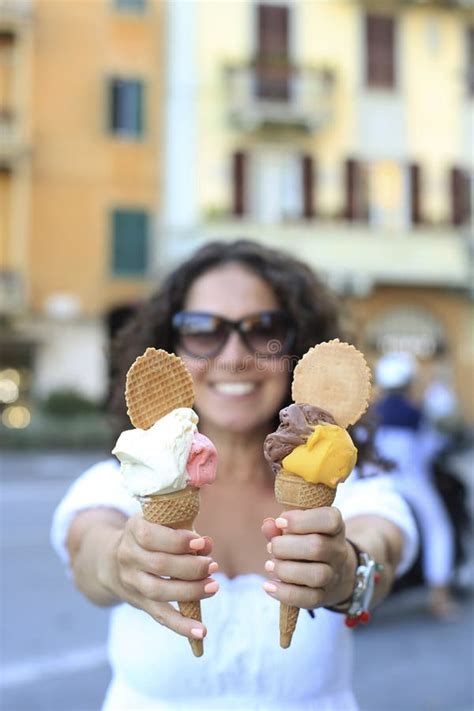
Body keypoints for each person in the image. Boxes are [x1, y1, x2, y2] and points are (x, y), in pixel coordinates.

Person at [51, 240, 417, 711]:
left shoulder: (345, 481)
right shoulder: (123, 481)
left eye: (262, 329)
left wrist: (348, 571)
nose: (234, 356)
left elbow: (382, 548)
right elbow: (89, 552)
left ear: (297, 349)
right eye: (203, 330)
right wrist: (118, 564)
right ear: (172, 348)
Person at [373, 351, 459, 620]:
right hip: (413, 482)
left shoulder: (370, 414)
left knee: (367, 531)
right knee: (438, 528)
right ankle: (439, 596)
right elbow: (432, 446)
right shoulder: (417, 413)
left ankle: (360, 600)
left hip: (377, 484)